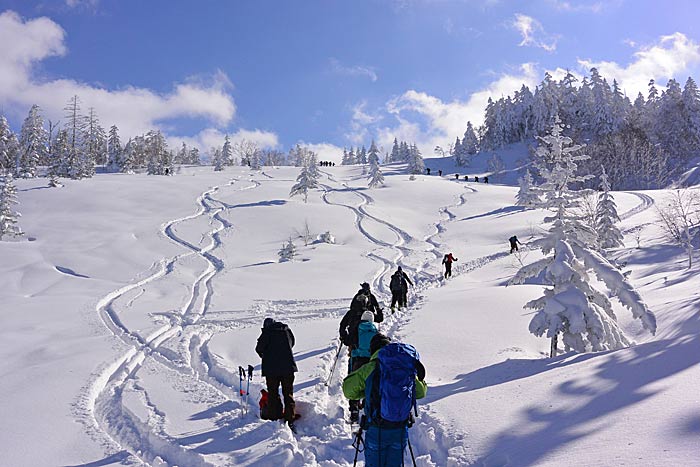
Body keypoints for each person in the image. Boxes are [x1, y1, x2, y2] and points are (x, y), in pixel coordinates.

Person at [343, 334, 427, 467]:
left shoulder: (370, 368)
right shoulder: (403, 366)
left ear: (372, 350)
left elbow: (348, 390)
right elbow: (421, 392)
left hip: (376, 428)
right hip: (400, 429)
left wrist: (364, 391)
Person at [339, 283, 384, 421]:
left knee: (353, 379)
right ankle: (366, 404)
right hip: (370, 359)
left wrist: (346, 340)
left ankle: (353, 408)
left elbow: (343, 326)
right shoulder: (374, 330)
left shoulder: (353, 312)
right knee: (368, 381)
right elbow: (380, 319)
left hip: (356, 356)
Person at [255, 318, 298, 430]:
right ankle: (290, 418)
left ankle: (275, 417)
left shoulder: (266, 333)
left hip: (272, 369)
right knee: (288, 393)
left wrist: (267, 355)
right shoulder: (286, 330)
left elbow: (259, 349)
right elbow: (292, 343)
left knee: (273, 393)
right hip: (288, 367)